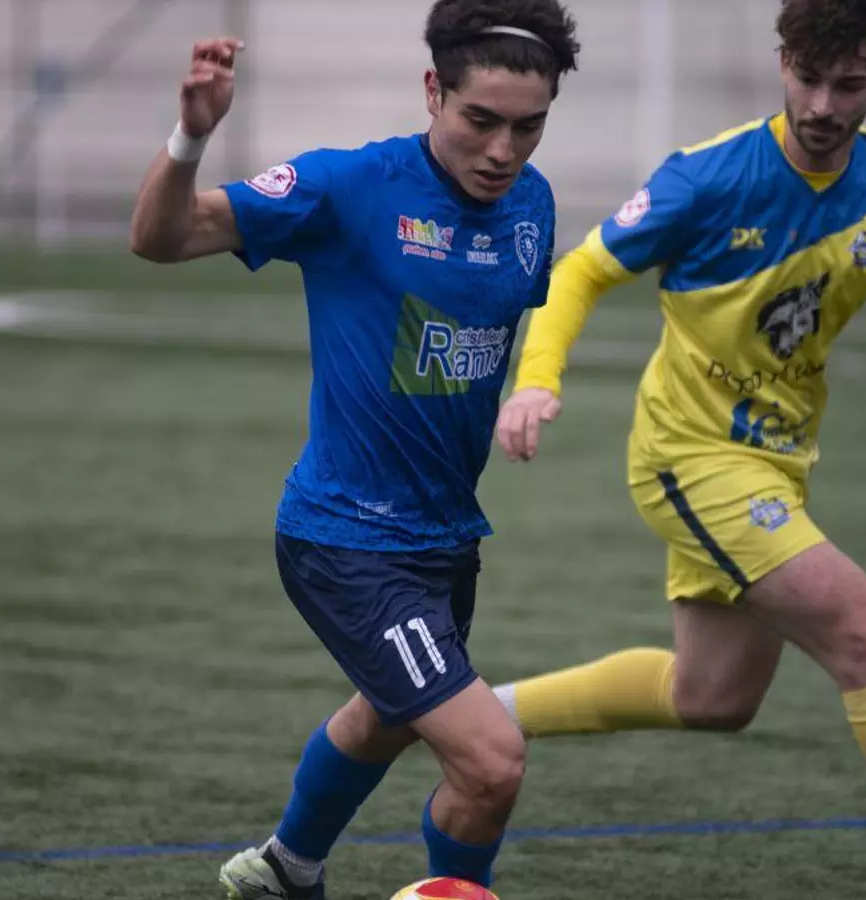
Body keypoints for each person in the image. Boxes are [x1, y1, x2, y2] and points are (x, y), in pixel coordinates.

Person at [489, 1, 866, 897]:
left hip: (777, 463)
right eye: (806, 79)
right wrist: (538, 379)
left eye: (846, 85)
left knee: (712, 697)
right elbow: (579, 271)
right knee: (864, 631)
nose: (820, 105)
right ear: (782, 64)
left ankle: (483, 712)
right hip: (690, 457)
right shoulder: (707, 178)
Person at [128, 3, 578, 897]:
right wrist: (191, 137)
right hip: (346, 539)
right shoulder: (350, 188)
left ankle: (286, 868)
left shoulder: (531, 204)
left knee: (391, 714)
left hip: (446, 536)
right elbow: (161, 238)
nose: (503, 150)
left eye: (528, 127)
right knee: (491, 761)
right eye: (480, 120)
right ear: (433, 91)